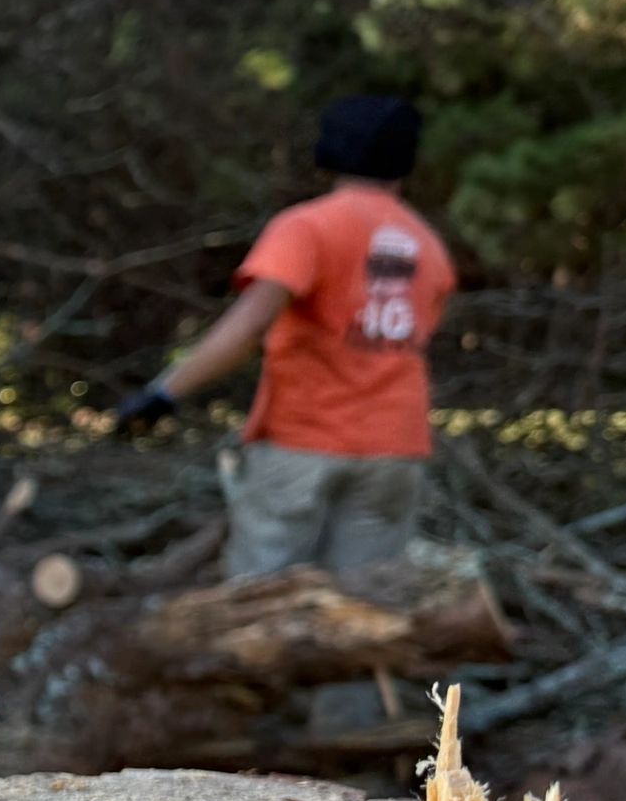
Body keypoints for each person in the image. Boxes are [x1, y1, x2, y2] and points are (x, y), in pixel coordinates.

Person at [113, 96, 456, 580]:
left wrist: (163, 393)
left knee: (260, 605)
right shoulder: (428, 246)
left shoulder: (307, 228)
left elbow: (249, 326)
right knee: (364, 613)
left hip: (305, 443)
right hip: (394, 450)